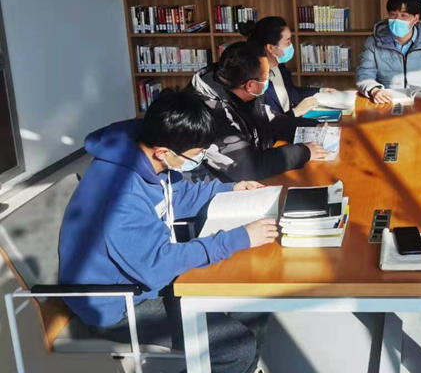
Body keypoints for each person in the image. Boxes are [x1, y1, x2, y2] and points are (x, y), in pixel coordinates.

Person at [58, 90, 274, 373]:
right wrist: (237, 239)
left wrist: (229, 189)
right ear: (163, 152)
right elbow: (157, 266)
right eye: (195, 155)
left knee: (253, 300)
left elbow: (176, 196)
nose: (199, 160)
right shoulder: (121, 197)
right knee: (235, 348)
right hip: (118, 303)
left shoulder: (146, 153)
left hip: (143, 276)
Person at [186, 41, 328, 182]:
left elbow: (269, 120)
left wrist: (314, 127)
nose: (268, 80)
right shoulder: (211, 113)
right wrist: (303, 152)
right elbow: (248, 167)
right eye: (267, 76)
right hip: (217, 187)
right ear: (250, 85)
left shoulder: (237, 84)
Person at [356, 0, 421, 104]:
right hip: (387, 101)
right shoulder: (373, 42)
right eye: (392, 15)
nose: (397, 20)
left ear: (415, 18)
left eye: (403, 16)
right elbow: (364, 74)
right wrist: (374, 90)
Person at [240, 16, 336, 117]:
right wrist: (295, 112)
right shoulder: (255, 81)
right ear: (270, 48)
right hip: (283, 126)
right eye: (287, 42)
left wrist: (320, 91)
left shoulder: (280, 66)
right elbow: (265, 122)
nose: (291, 46)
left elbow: (293, 92)